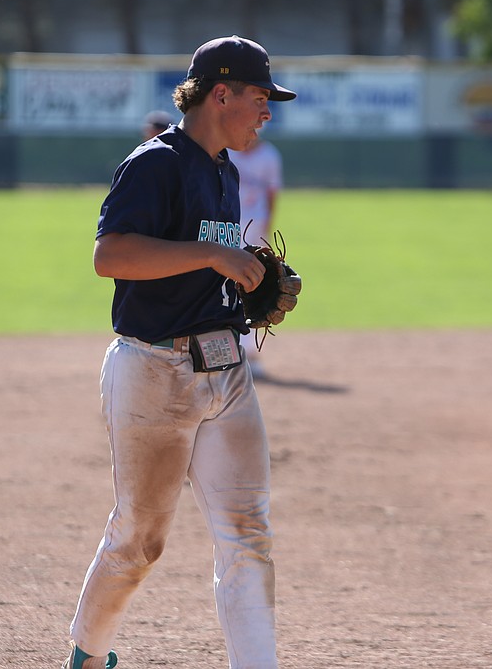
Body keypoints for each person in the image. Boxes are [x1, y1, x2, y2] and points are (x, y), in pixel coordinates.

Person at [66, 35, 297, 669]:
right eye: (260, 98)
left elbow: (202, 263)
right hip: (154, 373)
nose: (267, 112)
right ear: (220, 94)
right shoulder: (156, 163)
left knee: (248, 533)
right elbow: (109, 256)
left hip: (226, 373)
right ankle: (88, 654)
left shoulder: (225, 170)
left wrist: (239, 274)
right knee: (141, 540)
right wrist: (214, 254)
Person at [227, 127, 284, 379]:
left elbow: (272, 194)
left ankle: (249, 353)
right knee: (226, 286)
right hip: (228, 227)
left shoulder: (269, 155)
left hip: (256, 226)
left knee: (253, 289)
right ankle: (226, 349)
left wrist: (268, 230)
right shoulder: (227, 152)